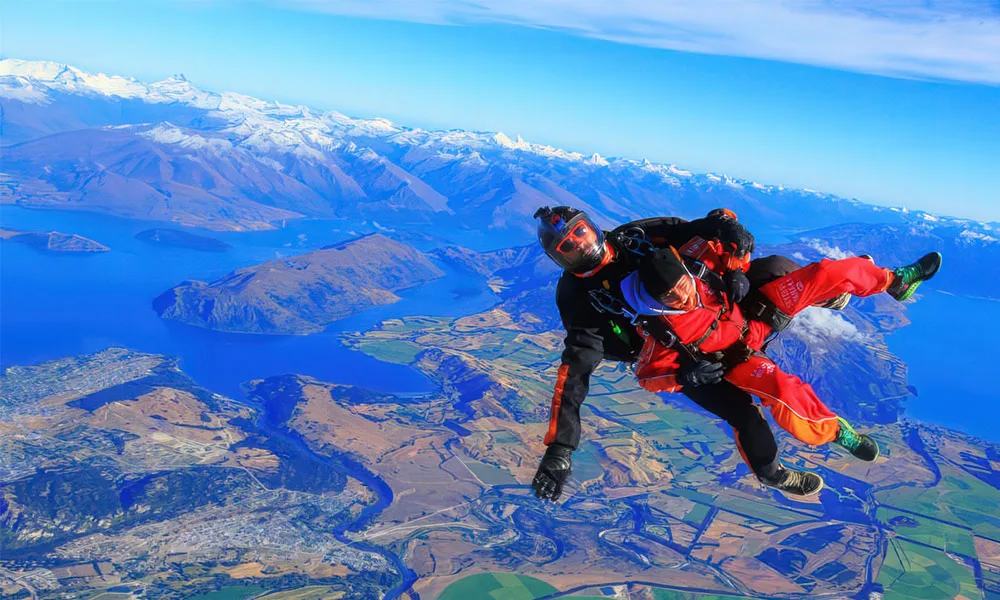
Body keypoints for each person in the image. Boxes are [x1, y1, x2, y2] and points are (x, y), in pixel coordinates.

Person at [529, 205, 844, 501]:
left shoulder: (638, 236)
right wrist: (560, 448)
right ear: (559, 259)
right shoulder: (578, 298)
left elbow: (716, 224)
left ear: (592, 227)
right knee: (743, 413)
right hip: (682, 357)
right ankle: (772, 474)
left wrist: (735, 266)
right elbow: (574, 374)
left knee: (775, 267)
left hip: (721, 303)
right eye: (568, 247)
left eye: (580, 233)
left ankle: (825, 292)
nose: (581, 246)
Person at [622, 239, 941, 496]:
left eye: (682, 286)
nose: (682, 297)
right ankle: (834, 431)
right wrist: (684, 376)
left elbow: (728, 231)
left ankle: (895, 280)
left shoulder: (696, 263)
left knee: (822, 274)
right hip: (738, 359)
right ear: (655, 297)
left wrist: (735, 266)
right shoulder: (659, 328)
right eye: (670, 296)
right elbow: (648, 376)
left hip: (756, 313)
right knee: (783, 390)